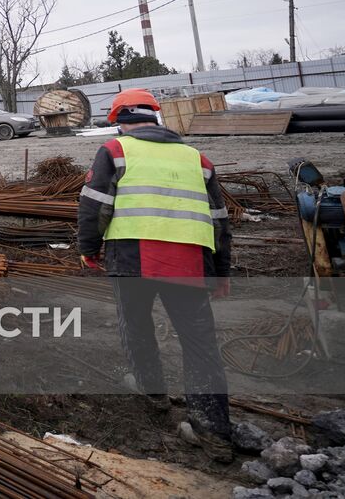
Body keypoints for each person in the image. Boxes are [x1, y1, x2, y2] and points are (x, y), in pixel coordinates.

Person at [77, 88, 236, 461]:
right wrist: (221, 271)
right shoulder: (198, 159)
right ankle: (214, 433)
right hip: (190, 263)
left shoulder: (115, 151)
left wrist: (88, 249)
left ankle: (152, 391)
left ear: (119, 120)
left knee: (135, 324)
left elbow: (94, 206)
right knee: (201, 345)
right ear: (156, 117)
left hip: (132, 259)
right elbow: (219, 221)